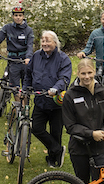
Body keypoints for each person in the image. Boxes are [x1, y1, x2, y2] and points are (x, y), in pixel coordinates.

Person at [24, 30, 72, 168]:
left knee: (55, 131)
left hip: (56, 103)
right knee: (37, 128)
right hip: (40, 100)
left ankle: (53, 158)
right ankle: (57, 149)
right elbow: (28, 74)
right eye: (43, 41)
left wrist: (55, 88)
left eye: (48, 40)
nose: (44, 43)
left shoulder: (63, 59)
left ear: (55, 43)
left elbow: (64, 78)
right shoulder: (36, 56)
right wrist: (26, 87)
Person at [0, 6, 34, 89]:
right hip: (12, 60)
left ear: (23, 17)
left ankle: (24, 102)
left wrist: (28, 57)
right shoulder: (7, 28)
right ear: (13, 16)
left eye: (20, 15)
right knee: (14, 88)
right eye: (16, 15)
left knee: (25, 89)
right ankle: (16, 102)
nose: (18, 17)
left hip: (24, 61)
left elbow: (30, 46)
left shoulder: (28, 30)